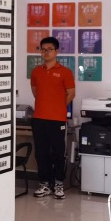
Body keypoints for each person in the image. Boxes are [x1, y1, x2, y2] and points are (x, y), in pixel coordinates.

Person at [29, 36, 75, 199]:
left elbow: (71, 94)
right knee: (41, 153)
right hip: (39, 118)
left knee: (58, 153)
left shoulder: (65, 72)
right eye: (43, 49)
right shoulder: (36, 72)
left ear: (56, 51)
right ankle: (44, 184)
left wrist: (58, 106)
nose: (46, 52)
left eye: (49, 49)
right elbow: (35, 91)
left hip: (57, 119)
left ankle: (59, 184)